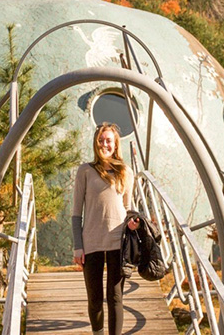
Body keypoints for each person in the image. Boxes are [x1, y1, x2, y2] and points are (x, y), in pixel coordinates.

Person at [71, 122, 137, 335]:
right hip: (91, 242)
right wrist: (77, 246)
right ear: (95, 143)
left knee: (115, 296)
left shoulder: (126, 172)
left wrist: (133, 222)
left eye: (108, 140)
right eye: (101, 140)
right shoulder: (85, 171)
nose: (104, 144)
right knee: (95, 297)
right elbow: (75, 213)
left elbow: (128, 208)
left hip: (118, 241)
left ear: (115, 144)